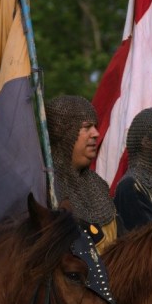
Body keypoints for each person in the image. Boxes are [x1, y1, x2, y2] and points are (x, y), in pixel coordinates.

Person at [45, 95, 120, 251]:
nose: (96, 133)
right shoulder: (46, 187)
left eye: (95, 126)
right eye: (87, 127)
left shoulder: (98, 185)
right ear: (63, 133)